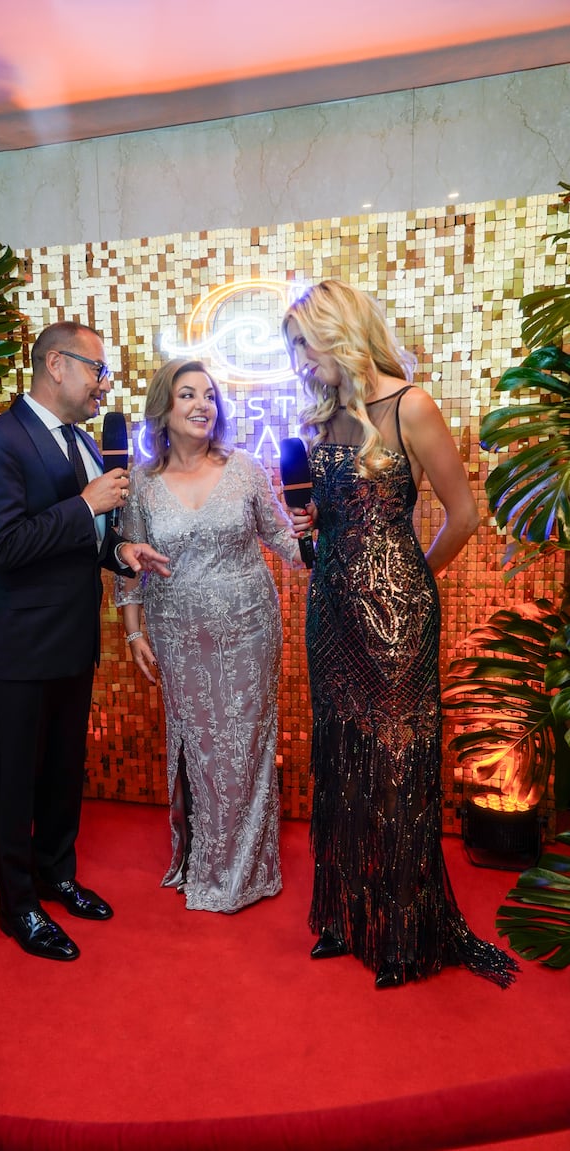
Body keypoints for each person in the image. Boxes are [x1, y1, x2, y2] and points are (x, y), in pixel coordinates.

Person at [281, 280, 518, 989]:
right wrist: (311, 527)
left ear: (340, 331)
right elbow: (338, 516)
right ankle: (348, 915)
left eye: (303, 342)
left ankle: (405, 928)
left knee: (394, 769)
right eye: (290, 347)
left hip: (396, 620)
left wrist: (412, 581)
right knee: (344, 758)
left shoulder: (408, 404)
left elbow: (463, 513)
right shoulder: (321, 419)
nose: (296, 360)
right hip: (330, 612)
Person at [0, 321, 170, 961]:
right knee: (17, 778)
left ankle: (57, 875)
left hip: (71, 639)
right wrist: (85, 505)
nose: (102, 384)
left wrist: (120, 549)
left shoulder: (80, 441)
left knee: (60, 771)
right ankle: (17, 905)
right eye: (96, 370)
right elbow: (5, 545)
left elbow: (85, 536)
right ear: (57, 365)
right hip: (21, 645)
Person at [115, 358, 303, 913]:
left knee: (245, 746)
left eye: (210, 396)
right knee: (201, 747)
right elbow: (127, 562)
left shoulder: (243, 467)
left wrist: (325, 544)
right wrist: (133, 631)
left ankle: (245, 871)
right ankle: (203, 857)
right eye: (187, 395)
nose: (203, 405)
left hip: (249, 630)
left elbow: (282, 539)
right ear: (163, 410)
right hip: (178, 636)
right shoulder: (141, 484)